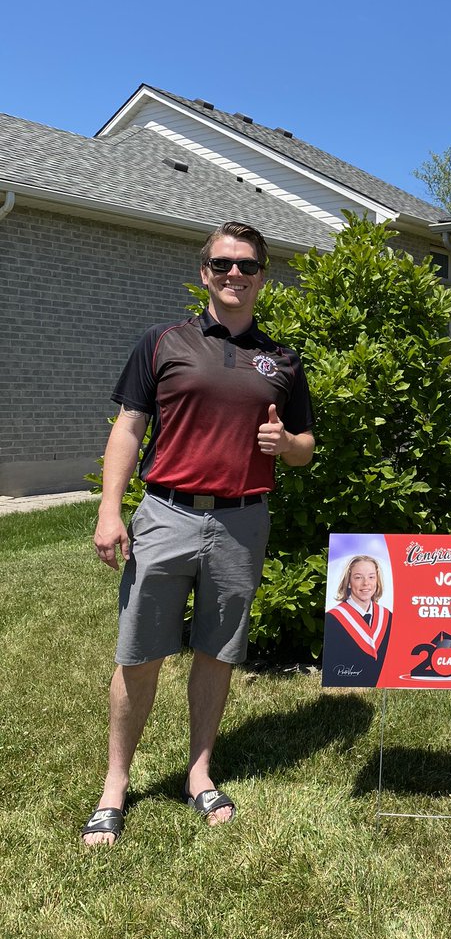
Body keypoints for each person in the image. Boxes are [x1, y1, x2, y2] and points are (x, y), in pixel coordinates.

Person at [82, 221, 315, 846]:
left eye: (246, 265)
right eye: (221, 264)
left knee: (219, 648)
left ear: (264, 275)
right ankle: (114, 787)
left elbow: (305, 449)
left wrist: (285, 443)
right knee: (139, 650)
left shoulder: (284, 361)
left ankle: (199, 771)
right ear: (203, 272)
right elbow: (128, 429)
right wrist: (111, 510)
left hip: (242, 520)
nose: (233, 274)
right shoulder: (161, 343)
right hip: (167, 514)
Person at [322, 555, 392, 687]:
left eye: (371, 577)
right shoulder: (333, 619)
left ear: (377, 581)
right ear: (348, 582)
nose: (366, 583)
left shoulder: (388, 617)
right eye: (358, 577)